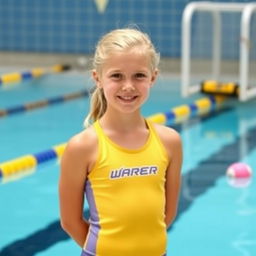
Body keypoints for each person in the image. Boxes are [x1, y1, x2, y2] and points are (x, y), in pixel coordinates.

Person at [59, 28, 182, 256]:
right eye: (116, 76)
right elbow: (70, 221)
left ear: (153, 77)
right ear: (98, 78)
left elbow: (168, 213)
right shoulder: (83, 147)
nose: (128, 86)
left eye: (139, 75)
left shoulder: (169, 141)